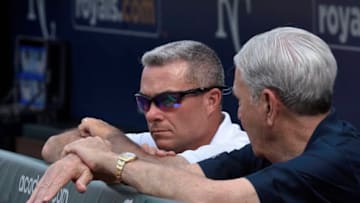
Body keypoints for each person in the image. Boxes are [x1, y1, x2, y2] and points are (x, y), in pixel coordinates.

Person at [28, 27, 360, 203]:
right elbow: (180, 172)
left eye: (242, 102)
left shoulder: (336, 159)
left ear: (269, 106)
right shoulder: (269, 151)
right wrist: (92, 156)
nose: (240, 114)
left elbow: (210, 197)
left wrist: (111, 160)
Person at [41, 40, 249, 165]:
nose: (151, 114)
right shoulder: (149, 144)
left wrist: (108, 136)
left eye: (168, 100)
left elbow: (167, 175)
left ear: (211, 100)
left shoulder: (240, 149)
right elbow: (52, 148)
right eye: (145, 102)